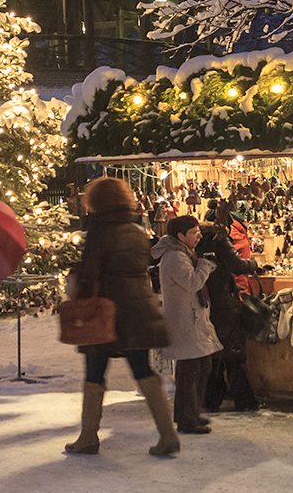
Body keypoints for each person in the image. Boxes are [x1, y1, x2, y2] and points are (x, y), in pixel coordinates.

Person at [63, 176, 176, 458]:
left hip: (106, 312)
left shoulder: (100, 231)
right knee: (142, 370)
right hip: (139, 310)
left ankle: (88, 436)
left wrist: (76, 273)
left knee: (94, 371)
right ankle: (167, 434)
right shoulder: (137, 229)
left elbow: (92, 273)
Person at [154, 213, 221, 437]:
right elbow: (192, 282)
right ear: (180, 235)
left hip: (192, 319)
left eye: (198, 231)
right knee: (191, 370)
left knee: (200, 367)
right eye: (193, 233)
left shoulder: (183, 253)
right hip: (185, 321)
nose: (198, 236)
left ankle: (189, 413)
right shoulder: (174, 257)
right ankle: (187, 418)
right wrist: (205, 264)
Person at [201, 210, 264, 413]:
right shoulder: (219, 239)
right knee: (233, 351)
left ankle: (211, 398)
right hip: (222, 300)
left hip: (206, 300)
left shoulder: (199, 240)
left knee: (216, 351)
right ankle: (244, 399)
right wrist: (256, 265)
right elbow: (236, 265)